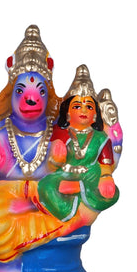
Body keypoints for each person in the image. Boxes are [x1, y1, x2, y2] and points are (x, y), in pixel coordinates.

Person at [38, 72, 119, 222]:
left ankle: (77, 189)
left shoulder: (101, 138)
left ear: (95, 114)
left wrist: (106, 178)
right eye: (77, 106)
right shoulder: (59, 132)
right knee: (46, 186)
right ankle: (66, 215)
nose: (83, 110)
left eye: (89, 106)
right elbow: (49, 164)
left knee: (112, 193)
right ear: (67, 112)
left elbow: (105, 165)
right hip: (63, 174)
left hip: (90, 176)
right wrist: (55, 156)